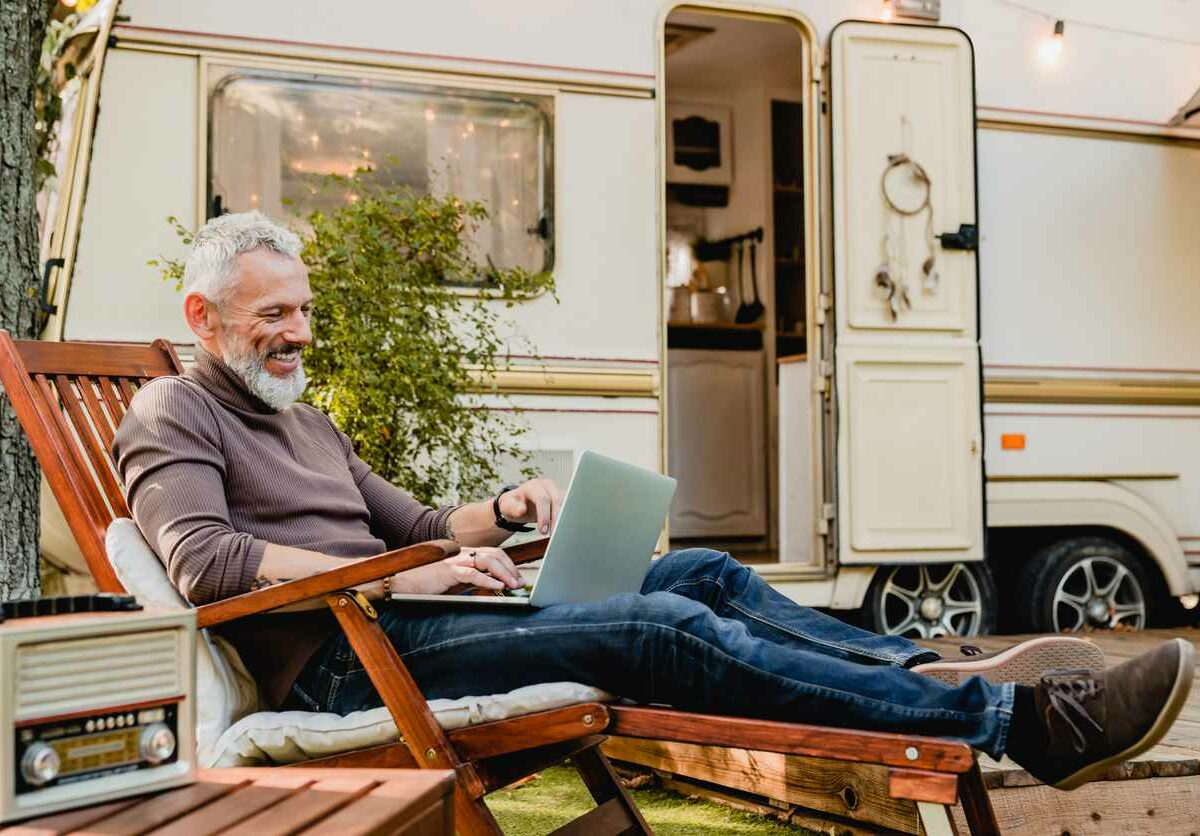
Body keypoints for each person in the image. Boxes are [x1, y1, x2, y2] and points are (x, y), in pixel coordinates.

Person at [114, 211, 1194, 792]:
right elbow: (207, 565)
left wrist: (507, 510)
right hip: (350, 661)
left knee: (703, 573)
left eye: (303, 309)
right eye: (273, 316)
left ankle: (925, 670)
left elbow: (426, 530)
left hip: (408, 616)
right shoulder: (172, 411)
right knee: (658, 625)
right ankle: (1018, 720)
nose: (299, 332)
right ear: (204, 315)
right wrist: (408, 575)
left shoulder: (305, 419)